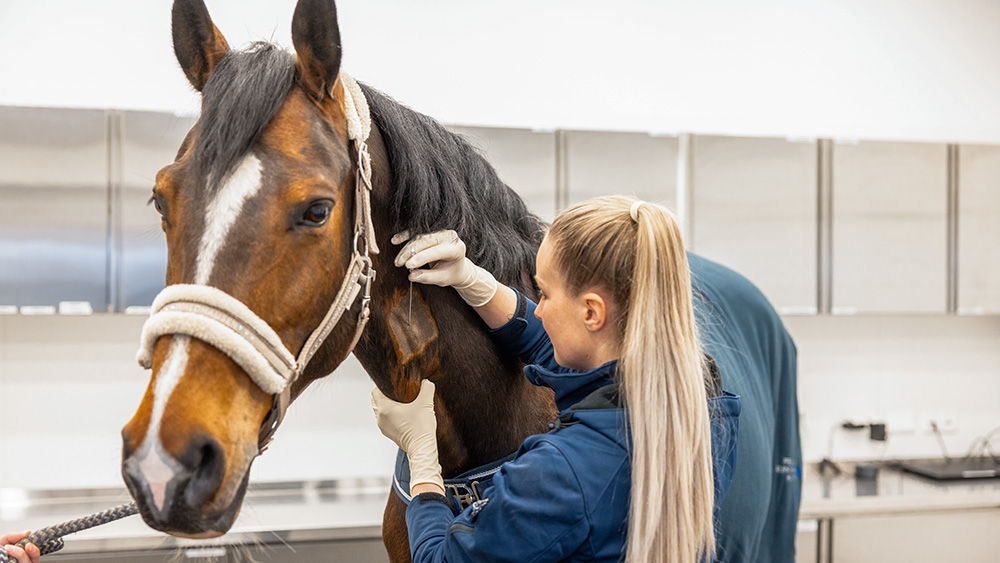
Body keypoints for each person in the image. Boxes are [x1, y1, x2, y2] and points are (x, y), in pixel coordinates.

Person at [372, 195, 741, 562]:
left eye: (545, 294)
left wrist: (422, 456)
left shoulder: (559, 474)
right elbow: (566, 355)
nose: (541, 310)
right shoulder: (701, 407)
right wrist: (473, 281)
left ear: (592, 312)